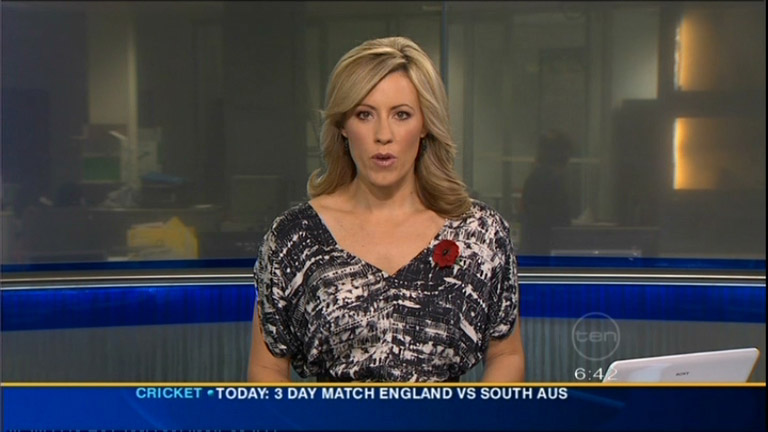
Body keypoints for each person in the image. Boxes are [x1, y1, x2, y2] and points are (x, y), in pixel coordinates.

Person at [248, 36, 523, 382]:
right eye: (364, 114)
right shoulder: (294, 238)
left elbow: (506, 354)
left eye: (401, 115)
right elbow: (267, 368)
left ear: (425, 124)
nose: (383, 134)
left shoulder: (479, 233)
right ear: (343, 126)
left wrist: (478, 414)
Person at [520, 130, 573, 255]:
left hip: (533, 247)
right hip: (545, 248)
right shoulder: (551, 180)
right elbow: (560, 217)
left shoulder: (534, 177)